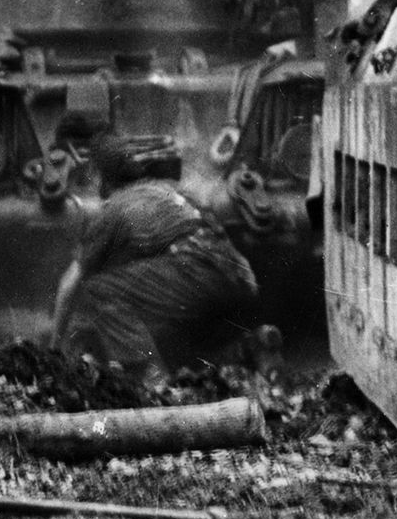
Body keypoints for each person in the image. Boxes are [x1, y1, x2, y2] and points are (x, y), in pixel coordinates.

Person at [53, 137, 263, 380]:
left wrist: (54, 348)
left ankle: (151, 378)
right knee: (170, 308)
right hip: (240, 278)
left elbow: (70, 284)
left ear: (105, 180)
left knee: (100, 289)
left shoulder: (115, 207)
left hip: (196, 272)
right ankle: (250, 349)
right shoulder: (171, 190)